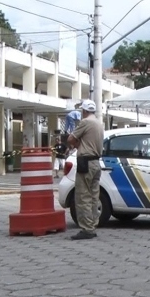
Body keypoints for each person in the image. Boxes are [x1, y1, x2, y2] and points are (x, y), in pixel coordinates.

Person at [68, 99, 104, 240]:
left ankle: (87, 229)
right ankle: (93, 225)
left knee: (83, 196)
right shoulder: (99, 123)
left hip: (85, 162)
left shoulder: (85, 122)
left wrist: (78, 145)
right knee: (94, 197)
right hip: (96, 163)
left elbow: (71, 138)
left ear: (83, 111)